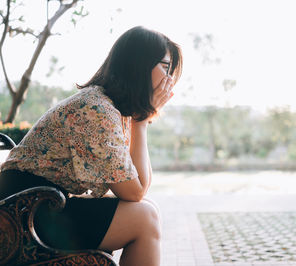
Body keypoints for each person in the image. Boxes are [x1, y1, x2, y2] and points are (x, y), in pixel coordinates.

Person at [0, 26, 182, 266]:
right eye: (165, 67)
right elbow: (134, 191)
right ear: (139, 65)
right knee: (144, 217)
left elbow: (137, 190)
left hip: (39, 205)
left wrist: (140, 120)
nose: (169, 80)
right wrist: (142, 121)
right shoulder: (97, 110)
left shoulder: (108, 107)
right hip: (23, 214)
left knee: (147, 210)